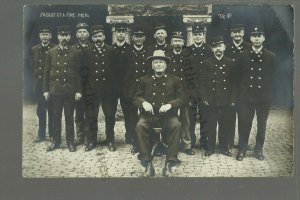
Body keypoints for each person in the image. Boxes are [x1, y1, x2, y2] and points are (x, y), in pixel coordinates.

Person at [134, 50, 185, 177]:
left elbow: (182, 98)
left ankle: (170, 162)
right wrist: (143, 102)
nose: (159, 64)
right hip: (149, 115)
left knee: (176, 125)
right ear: (152, 65)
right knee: (140, 125)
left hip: (167, 116)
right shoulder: (144, 80)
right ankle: (146, 163)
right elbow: (136, 97)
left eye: (161, 62)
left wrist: (170, 105)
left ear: (166, 65)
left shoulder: (175, 80)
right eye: (156, 62)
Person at [236, 25, 277, 161]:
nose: (257, 38)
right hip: (246, 97)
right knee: (244, 122)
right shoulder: (243, 55)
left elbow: (274, 78)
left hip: (263, 97)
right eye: (254, 36)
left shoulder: (271, 56)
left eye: (259, 35)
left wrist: (269, 95)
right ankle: (242, 148)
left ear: (263, 38)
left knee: (262, 124)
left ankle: (258, 149)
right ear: (250, 38)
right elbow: (238, 76)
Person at [43, 26, 82, 152]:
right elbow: (46, 72)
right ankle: (56, 141)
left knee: (69, 116)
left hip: (69, 90)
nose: (64, 38)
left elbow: (79, 73)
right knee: (55, 116)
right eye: (62, 35)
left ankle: (70, 142)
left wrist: (78, 90)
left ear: (70, 37)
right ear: (57, 37)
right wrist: (46, 90)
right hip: (56, 90)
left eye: (66, 35)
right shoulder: (51, 52)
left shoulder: (75, 52)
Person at [199, 36, 237, 157]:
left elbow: (234, 83)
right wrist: (204, 98)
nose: (218, 49)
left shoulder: (230, 62)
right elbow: (202, 83)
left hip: (225, 101)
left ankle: (223, 148)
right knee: (211, 125)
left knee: (224, 125)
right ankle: (210, 148)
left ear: (224, 47)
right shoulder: (206, 63)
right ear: (212, 49)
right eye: (215, 47)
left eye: (220, 46)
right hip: (211, 101)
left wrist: (232, 100)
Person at [81, 25, 114, 151]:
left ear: (104, 37)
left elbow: (115, 72)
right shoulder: (87, 52)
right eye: (95, 37)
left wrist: (114, 89)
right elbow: (83, 73)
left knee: (110, 116)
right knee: (91, 116)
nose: (98, 39)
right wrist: (85, 90)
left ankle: (110, 140)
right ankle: (91, 141)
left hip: (108, 90)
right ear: (92, 38)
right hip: (92, 90)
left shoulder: (111, 50)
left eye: (100, 36)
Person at [168, 30, 195, 155]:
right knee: (170, 120)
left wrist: (190, 97)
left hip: (184, 95)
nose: (177, 43)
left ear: (183, 42)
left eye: (180, 41)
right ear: (172, 42)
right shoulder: (167, 57)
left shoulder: (188, 57)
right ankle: (169, 144)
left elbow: (191, 80)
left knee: (185, 121)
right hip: (170, 95)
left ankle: (186, 145)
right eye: (175, 41)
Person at [225, 24, 251, 148]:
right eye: (234, 32)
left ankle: (242, 143)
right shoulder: (227, 48)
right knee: (230, 116)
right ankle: (229, 141)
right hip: (229, 88)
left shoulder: (249, 47)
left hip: (244, 88)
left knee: (243, 117)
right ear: (231, 34)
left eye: (239, 32)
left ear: (243, 33)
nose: (237, 35)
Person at [124, 26, 149, 154]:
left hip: (145, 90)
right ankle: (135, 142)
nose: (139, 39)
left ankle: (147, 140)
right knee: (131, 117)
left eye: (141, 36)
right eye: (136, 36)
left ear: (144, 38)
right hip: (131, 91)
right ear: (132, 38)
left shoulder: (148, 51)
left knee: (147, 116)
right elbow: (122, 73)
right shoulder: (127, 52)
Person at [188, 24, 212, 150]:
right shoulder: (188, 50)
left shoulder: (209, 50)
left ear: (203, 35)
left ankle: (204, 141)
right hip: (192, 90)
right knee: (191, 117)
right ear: (193, 36)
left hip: (205, 90)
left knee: (204, 116)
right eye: (195, 35)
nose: (198, 37)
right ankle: (191, 141)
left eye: (200, 34)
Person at [31, 25, 56, 143]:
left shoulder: (55, 48)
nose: (45, 37)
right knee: (40, 111)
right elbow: (31, 66)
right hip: (39, 85)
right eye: (42, 34)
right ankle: (41, 135)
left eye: (47, 34)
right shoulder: (34, 49)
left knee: (51, 110)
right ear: (39, 36)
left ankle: (52, 134)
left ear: (50, 36)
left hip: (51, 85)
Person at [110, 23, 132, 151]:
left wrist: (127, 84)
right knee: (111, 113)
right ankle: (111, 138)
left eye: (123, 32)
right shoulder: (110, 49)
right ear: (115, 33)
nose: (121, 34)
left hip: (126, 86)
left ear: (126, 34)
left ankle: (129, 136)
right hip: (113, 87)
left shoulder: (130, 49)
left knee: (129, 113)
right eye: (118, 32)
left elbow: (131, 69)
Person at [72, 22, 91, 146]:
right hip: (77, 85)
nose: (82, 33)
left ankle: (89, 136)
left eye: (84, 31)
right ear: (76, 34)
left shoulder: (93, 47)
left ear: (88, 34)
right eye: (80, 32)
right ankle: (80, 136)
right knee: (78, 112)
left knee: (90, 112)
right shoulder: (73, 49)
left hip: (90, 86)